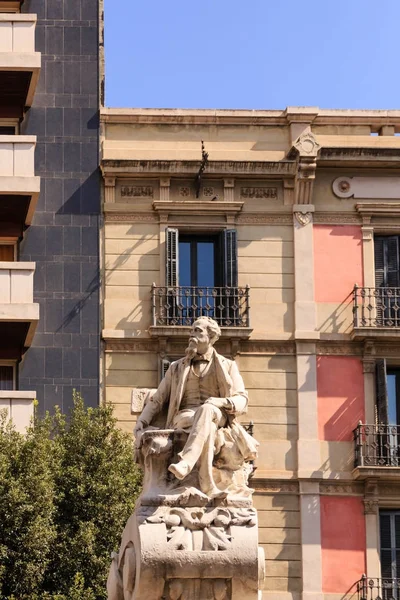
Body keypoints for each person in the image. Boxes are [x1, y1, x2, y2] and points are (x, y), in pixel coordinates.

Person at [134, 316, 257, 498]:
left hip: (218, 414)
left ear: (211, 336)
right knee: (204, 416)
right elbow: (158, 400)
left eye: (197, 331)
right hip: (185, 417)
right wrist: (142, 421)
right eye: (191, 331)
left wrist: (220, 401)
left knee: (207, 409)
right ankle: (207, 484)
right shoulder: (176, 368)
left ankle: (186, 462)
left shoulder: (227, 365)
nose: (192, 335)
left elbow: (242, 399)